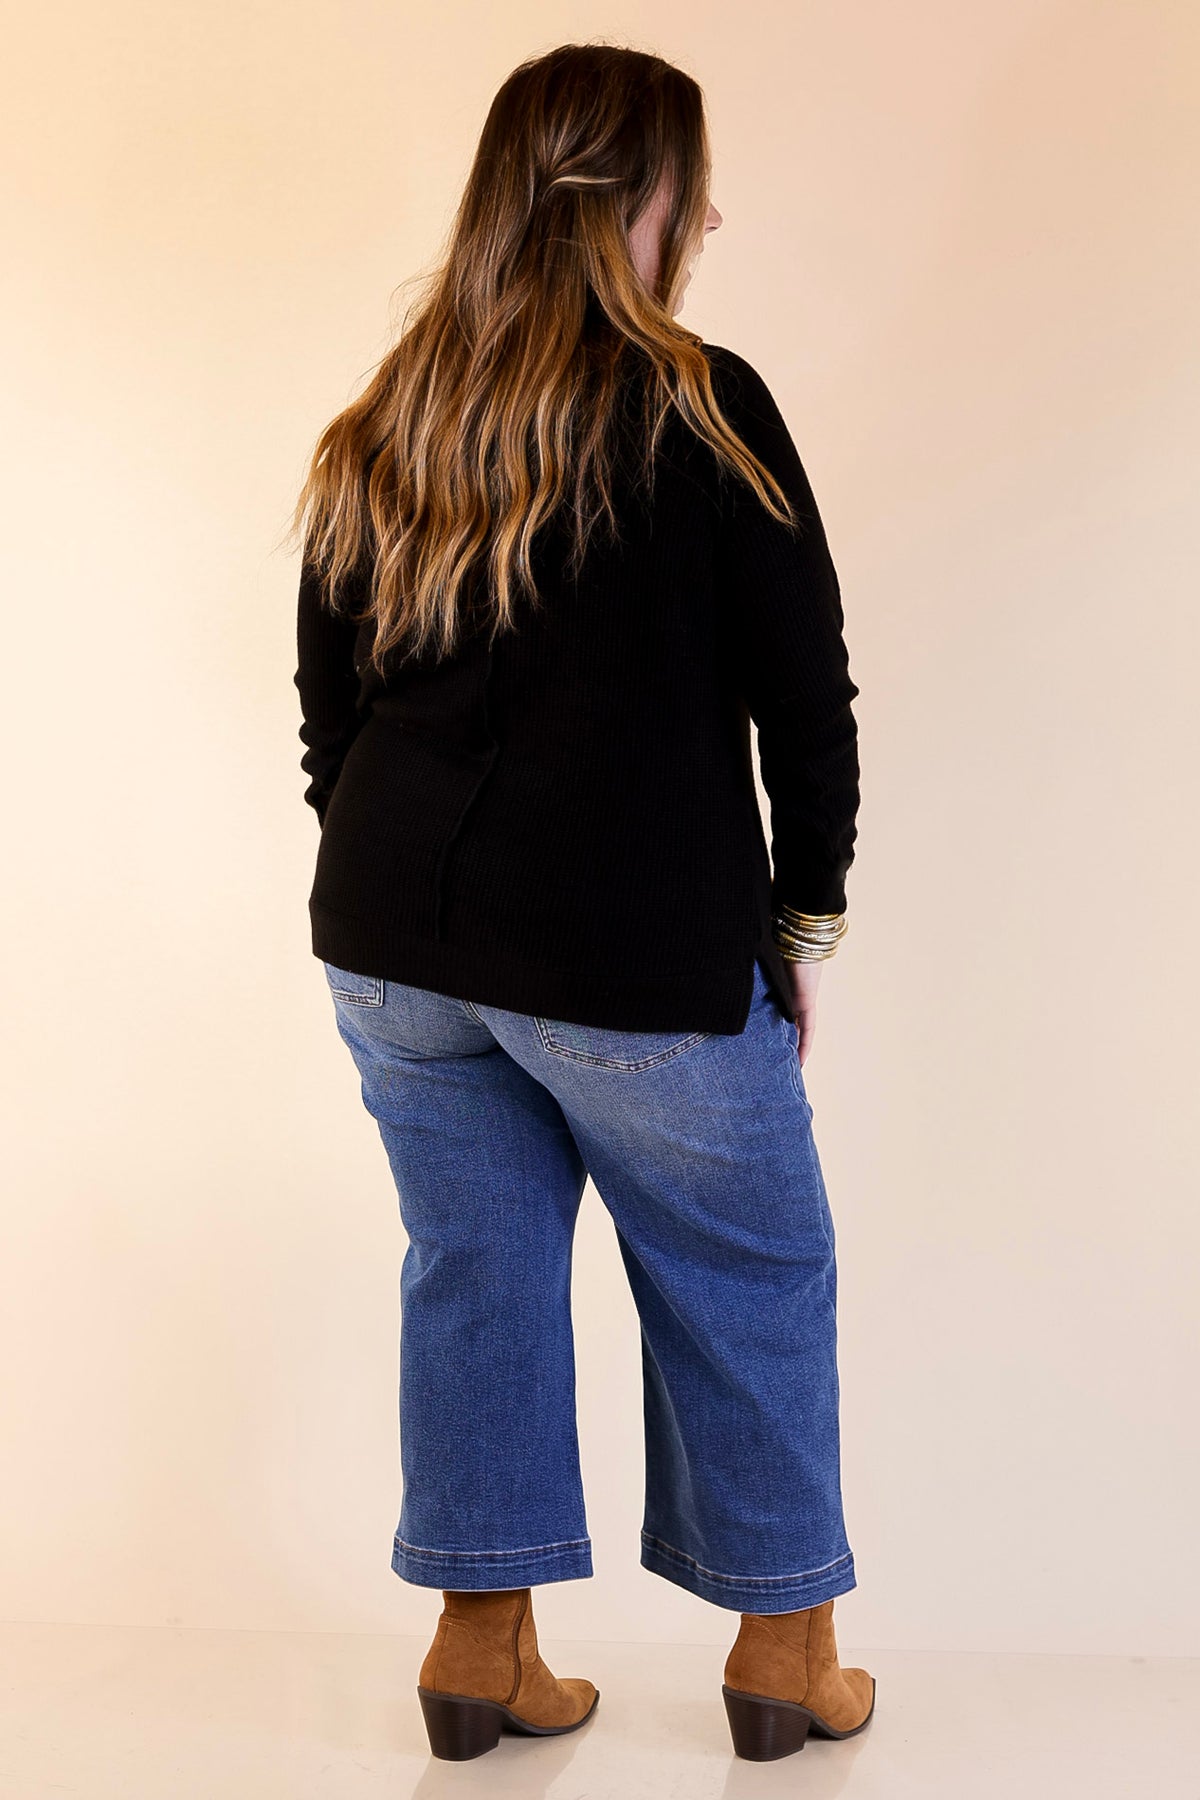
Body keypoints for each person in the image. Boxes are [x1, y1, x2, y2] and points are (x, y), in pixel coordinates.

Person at [290, 40, 875, 1765]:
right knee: (751, 1271)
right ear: (640, 200)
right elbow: (807, 695)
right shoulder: (701, 404)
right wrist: (806, 921)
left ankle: (482, 1650)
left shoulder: (392, 410)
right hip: (627, 953)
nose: (712, 221)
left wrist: (409, 886)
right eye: (696, 187)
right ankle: (785, 1658)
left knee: (475, 1269)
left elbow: (330, 705)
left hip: (393, 948)